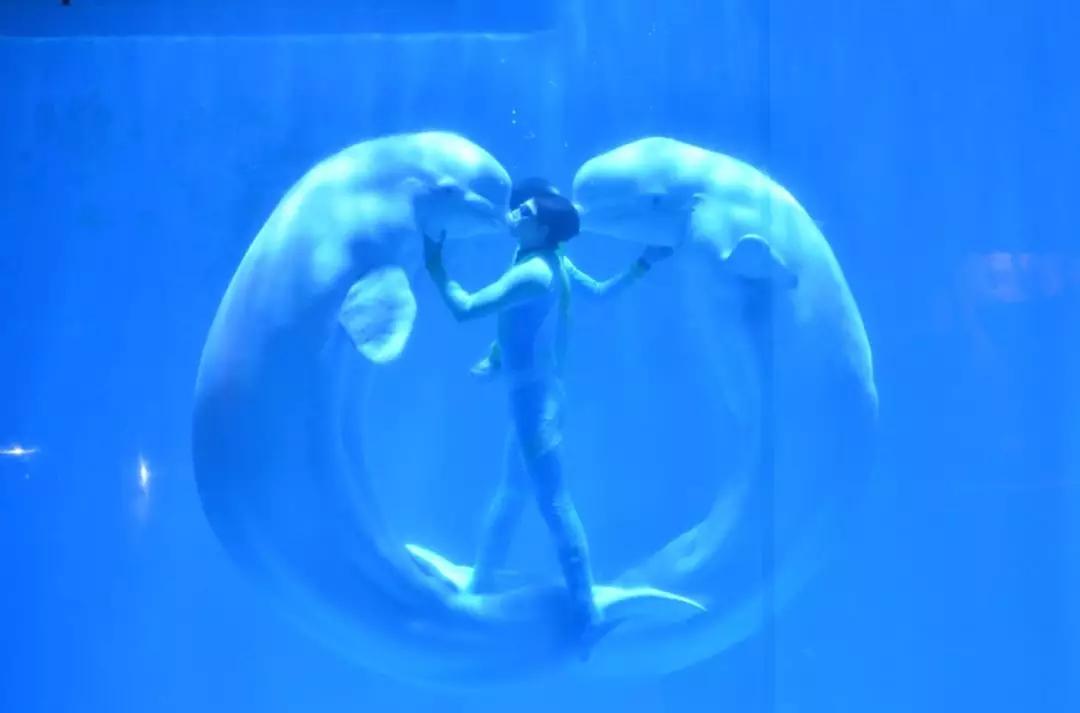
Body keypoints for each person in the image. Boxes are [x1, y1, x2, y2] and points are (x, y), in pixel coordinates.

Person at [422, 180, 671, 654]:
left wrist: (435, 263)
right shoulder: (550, 261)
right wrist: (642, 263)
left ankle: (588, 613)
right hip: (541, 399)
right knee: (512, 496)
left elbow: (465, 308)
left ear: (542, 229)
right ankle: (479, 583)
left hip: (535, 406)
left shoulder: (533, 273)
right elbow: (590, 298)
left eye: (526, 213)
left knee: (555, 504)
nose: (516, 213)